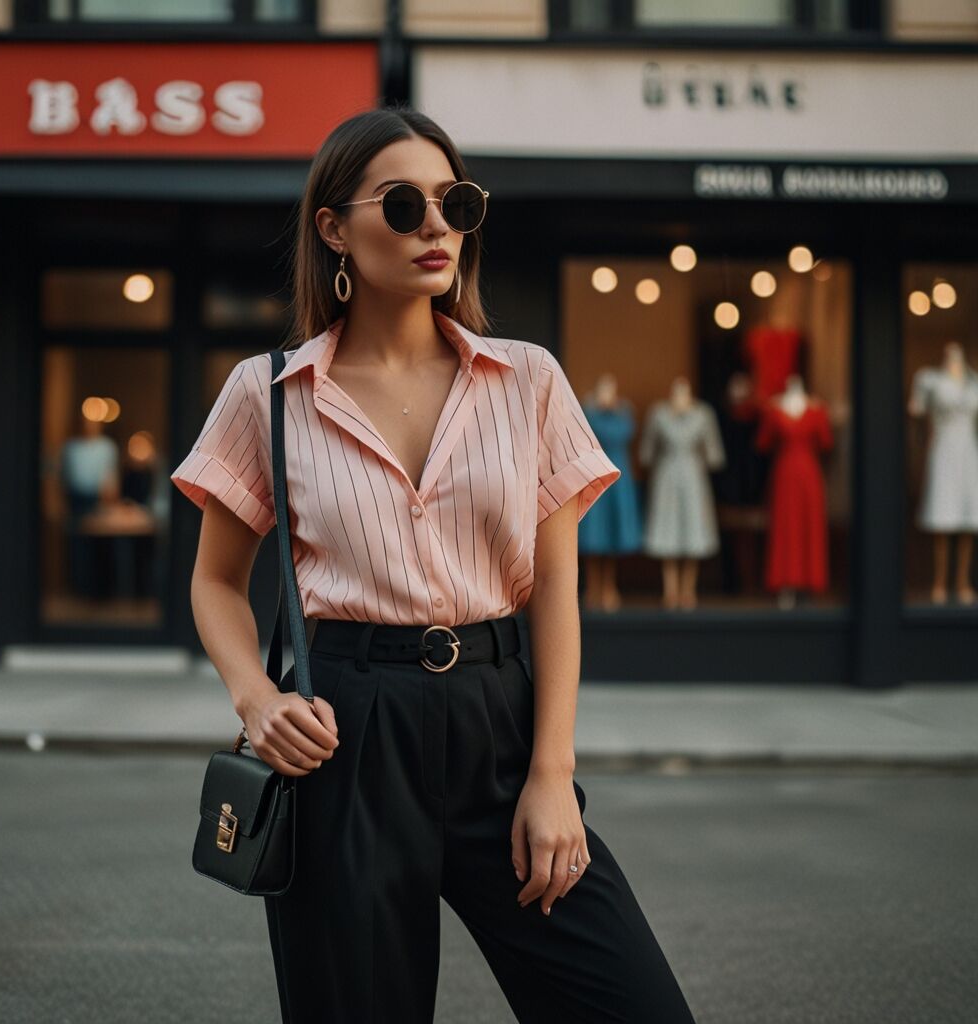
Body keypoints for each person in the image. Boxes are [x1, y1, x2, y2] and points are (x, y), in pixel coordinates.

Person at [170, 105, 699, 1024]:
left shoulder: (527, 379)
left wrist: (549, 774)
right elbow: (216, 579)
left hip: (501, 722)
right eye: (405, 204)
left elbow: (557, 596)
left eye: (455, 203)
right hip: (346, 733)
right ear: (333, 227)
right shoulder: (269, 394)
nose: (437, 227)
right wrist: (257, 700)